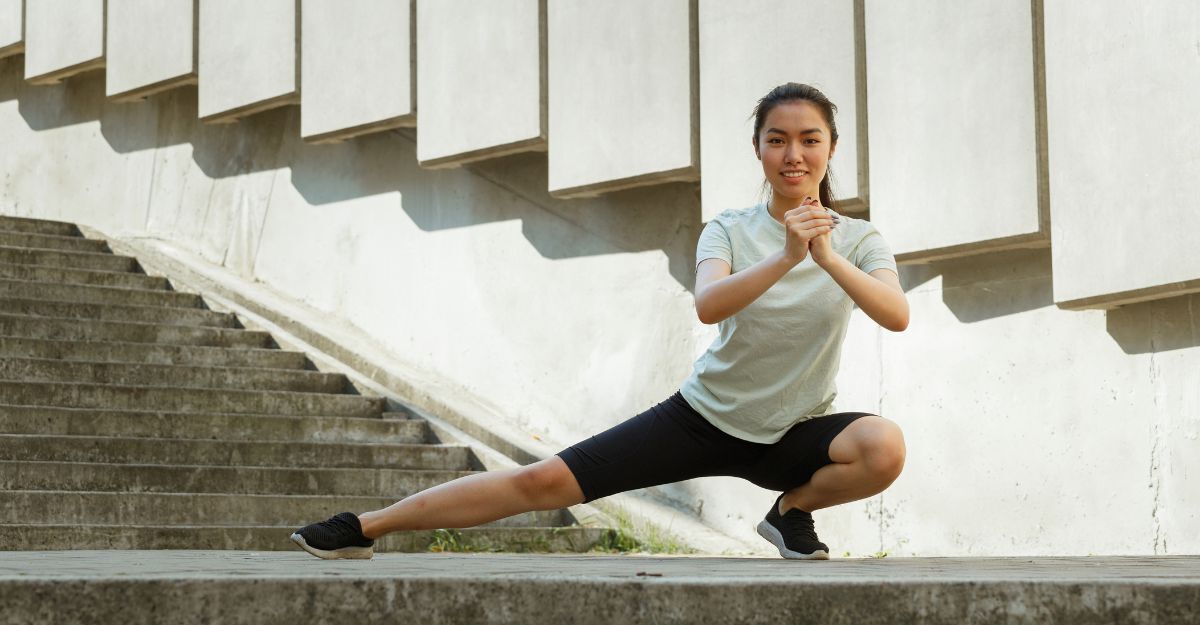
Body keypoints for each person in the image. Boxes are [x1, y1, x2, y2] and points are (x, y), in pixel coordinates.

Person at [290, 82, 908, 561]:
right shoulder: (729, 228)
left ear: (830, 147)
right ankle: (363, 526)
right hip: (702, 419)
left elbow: (895, 315)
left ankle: (789, 512)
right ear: (758, 149)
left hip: (791, 432)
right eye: (777, 139)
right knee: (541, 484)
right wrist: (786, 256)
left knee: (882, 446)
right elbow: (708, 304)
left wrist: (824, 256)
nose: (793, 154)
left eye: (809, 139)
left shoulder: (858, 239)